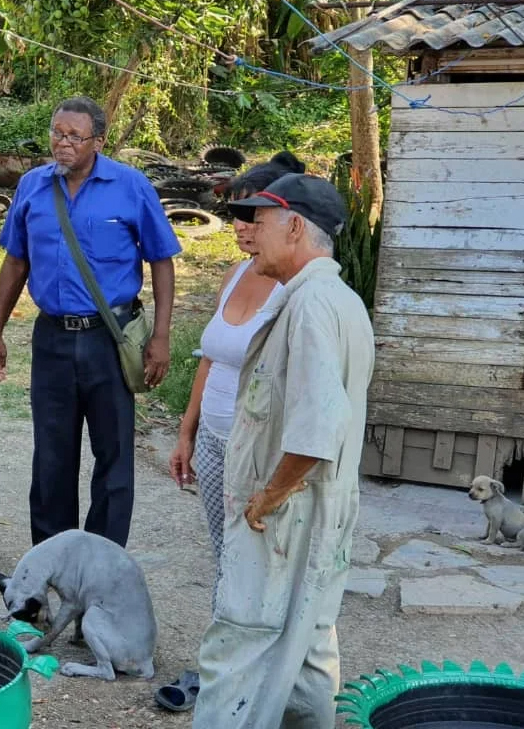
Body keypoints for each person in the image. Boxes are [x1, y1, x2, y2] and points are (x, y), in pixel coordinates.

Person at [191, 173, 374, 729]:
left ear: (294, 227)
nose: (251, 230)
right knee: (307, 647)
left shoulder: (312, 306)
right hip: (321, 510)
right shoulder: (336, 299)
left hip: (287, 518)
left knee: (239, 648)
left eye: (261, 220)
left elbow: (319, 428)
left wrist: (268, 496)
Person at [0, 96, 181, 549]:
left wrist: (161, 336)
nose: (63, 143)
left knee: (114, 456)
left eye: (75, 135)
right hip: (52, 339)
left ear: (99, 141)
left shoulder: (130, 186)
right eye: (57, 133)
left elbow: (162, 260)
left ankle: (102, 561)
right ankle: (53, 560)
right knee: (51, 457)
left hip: (109, 339)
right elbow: (15, 262)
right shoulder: (32, 186)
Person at [155, 152, 305, 714]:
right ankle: (224, 664)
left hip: (256, 449)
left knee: (258, 560)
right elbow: (209, 358)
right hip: (215, 440)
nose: (241, 228)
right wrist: (186, 432)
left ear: (282, 221)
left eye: (251, 217)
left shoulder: (293, 290)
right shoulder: (235, 274)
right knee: (225, 557)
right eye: (236, 215)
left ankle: (255, 674)